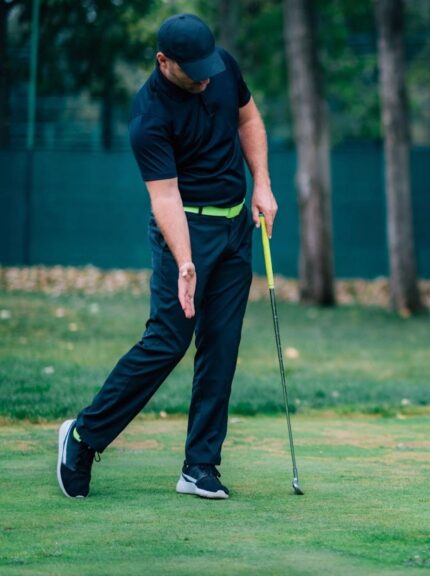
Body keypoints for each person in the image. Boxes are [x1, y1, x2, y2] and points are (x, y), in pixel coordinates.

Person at [57, 13, 278, 500]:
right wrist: (184, 261)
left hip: (237, 224)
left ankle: (200, 465)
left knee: (221, 345)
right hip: (186, 228)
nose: (204, 78)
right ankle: (83, 436)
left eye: (208, 67)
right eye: (192, 70)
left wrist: (261, 182)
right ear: (163, 61)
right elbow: (164, 199)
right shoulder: (149, 114)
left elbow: (248, 117)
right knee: (166, 341)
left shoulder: (221, 67)